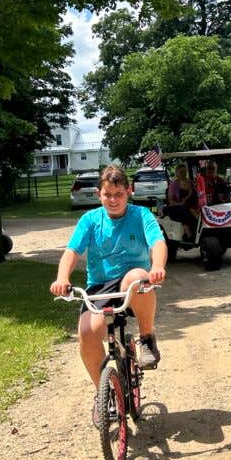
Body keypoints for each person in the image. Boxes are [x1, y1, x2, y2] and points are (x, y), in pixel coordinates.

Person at [50, 165, 167, 427]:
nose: (113, 200)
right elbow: (72, 252)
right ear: (98, 194)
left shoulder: (141, 215)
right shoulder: (90, 220)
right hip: (100, 287)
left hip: (131, 285)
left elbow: (157, 242)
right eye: (107, 194)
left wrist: (158, 266)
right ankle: (103, 395)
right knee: (87, 333)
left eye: (119, 194)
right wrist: (62, 278)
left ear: (129, 191)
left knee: (139, 277)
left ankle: (147, 338)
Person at [166, 163, 198, 239]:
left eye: (184, 172)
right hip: (176, 207)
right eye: (181, 172)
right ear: (177, 173)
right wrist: (180, 203)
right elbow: (171, 201)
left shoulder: (190, 183)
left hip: (190, 205)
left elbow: (194, 194)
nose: (183, 174)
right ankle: (189, 235)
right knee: (184, 209)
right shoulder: (173, 185)